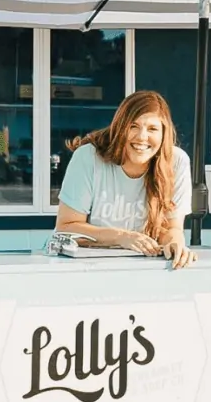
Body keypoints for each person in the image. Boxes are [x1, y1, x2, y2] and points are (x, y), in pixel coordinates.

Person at [54, 90, 197, 269]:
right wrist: (122, 237)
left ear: (164, 133)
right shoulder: (88, 157)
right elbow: (66, 227)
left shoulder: (177, 162)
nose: (142, 137)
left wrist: (175, 243)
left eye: (152, 128)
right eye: (133, 126)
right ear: (120, 127)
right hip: (84, 268)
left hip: (142, 269)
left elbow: (171, 229)